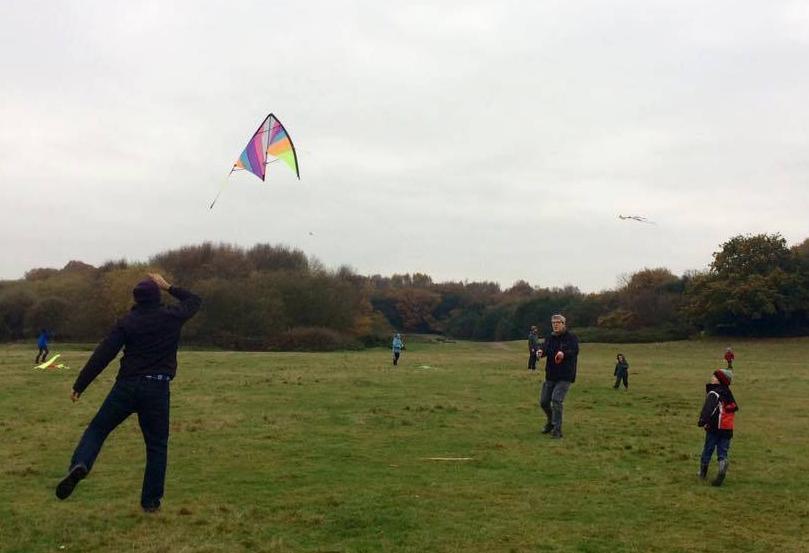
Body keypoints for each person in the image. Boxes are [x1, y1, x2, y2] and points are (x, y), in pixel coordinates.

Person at [55, 273, 201, 512]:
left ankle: (80, 464)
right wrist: (169, 287)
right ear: (156, 297)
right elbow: (195, 300)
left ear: (137, 299)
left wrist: (80, 385)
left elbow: (104, 353)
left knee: (98, 429)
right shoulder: (171, 317)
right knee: (156, 446)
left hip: (126, 387)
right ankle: (150, 502)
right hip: (157, 387)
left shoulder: (127, 322)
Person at [537, 314, 579, 438]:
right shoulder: (550, 337)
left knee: (556, 400)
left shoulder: (571, 338)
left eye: (558, 322)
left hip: (565, 375)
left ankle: (557, 429)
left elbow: (574, 351)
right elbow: (545, 348)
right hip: (550, 375)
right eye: (553, 322)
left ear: (563, 324)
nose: (555, 324)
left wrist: (563, 353)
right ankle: (550, 422)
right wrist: (540, 352)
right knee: (544, 402)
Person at [697, 368, 739, 486]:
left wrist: (702, 421)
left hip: (714, 427)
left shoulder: (713, 393)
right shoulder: (728, 393)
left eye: (714, 377)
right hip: (727, 428)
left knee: (708, 449)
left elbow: (708, 409)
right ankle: (722, 464)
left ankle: (702, 472)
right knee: (722, 451)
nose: (712, 378)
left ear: (720, 380)